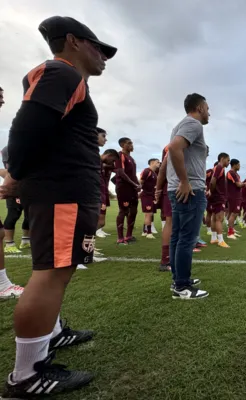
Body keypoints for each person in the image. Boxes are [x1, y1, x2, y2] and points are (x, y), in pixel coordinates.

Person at [1, 16, 117, 398]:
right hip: (61, 193)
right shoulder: (60, 73)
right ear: (72, 42)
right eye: (98, 47)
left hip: (64, 191)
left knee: (58, 271)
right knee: (50, 274)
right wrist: (15, 172)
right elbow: (26, 129)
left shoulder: (68, 78)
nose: (104, 57)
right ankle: (27, 376)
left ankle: (52, 333)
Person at [166, 93, 210, 299]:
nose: (209, 113)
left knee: (178, 237)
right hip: (189, 190)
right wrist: (185, 181)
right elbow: (174, 148)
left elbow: (170, 152)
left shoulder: (181, 125)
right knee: (186, 238)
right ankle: (181, 287)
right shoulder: (194, 124)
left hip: (178, 189)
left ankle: (178, 279)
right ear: (200, 108)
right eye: (208, 108)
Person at [0, 89, 24, 300]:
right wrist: (11, 181)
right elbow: (9, 168)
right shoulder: (10, 147)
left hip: (25, 186)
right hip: (16, 186)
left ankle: (2, 284)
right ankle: (9, 245)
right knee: (12, 215)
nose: (3, 100)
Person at [1, 146, 30, 253]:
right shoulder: (9, 149)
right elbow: (10, 172)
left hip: (27, 189)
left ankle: (25, 240)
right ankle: (9, 244)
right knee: (13, 215)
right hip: (14, 189)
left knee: (29, 216)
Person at [114, 137, 140, 244]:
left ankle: (129, 236)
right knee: (123, 211)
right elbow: (121, 173)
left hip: (133, 188)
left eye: (132, 143)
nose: (131, 145)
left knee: (133, 211)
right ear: (122, 145)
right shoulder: (120, 156)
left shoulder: (132, 158)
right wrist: (134, 184)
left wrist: (138, 184)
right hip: (124, 188)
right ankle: (120, 238)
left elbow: (133, 174)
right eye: (129, 143)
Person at [155, 145, 172, 272]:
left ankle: (170, 257)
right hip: (174, 187)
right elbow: (163, 169)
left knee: (174, 223)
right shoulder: (174, 145)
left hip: (175, 187)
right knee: (170, 222)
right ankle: (165, 259)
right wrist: (158, 189)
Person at [208, 153, 231, 247]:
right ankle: (221, 240)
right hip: (219, 197)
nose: (228, 162)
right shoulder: (219, 168)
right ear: (222, 159)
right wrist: (212, 191)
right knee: (219, 218)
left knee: (214, 217)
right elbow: (213, 181)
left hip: (216, 197)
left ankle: (213, 238)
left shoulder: (218, 168)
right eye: (228, 160)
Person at [96, 128, 114, 238]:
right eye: (103, 136)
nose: (105, 139)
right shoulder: (89, 154)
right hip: (92, 194)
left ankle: (89, 247)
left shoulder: (95, 155)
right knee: (95, 221)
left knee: (99, 221)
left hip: (99, 193)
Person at [226, 159, 246, 240]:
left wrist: (242, 184)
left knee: (233, 213)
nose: (239, 166)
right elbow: (238, 184)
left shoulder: (236, 174)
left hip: (237, 196)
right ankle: (230, 233)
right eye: (238, 164)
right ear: (234, 165)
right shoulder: (231, 173)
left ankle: (232, 230)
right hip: (233, 196)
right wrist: (245, 184)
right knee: (234, 214)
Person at [140, 158, 160, 239]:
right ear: (152, 163)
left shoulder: (154, 173)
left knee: (149, 214)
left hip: (151, 196)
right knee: (148, 214)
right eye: (157, 162)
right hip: (146, 195)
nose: (159, 163)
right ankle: (149, 233)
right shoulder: (146, 171)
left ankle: (144, 231)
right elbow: (141, 182)